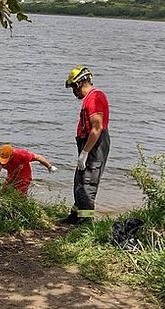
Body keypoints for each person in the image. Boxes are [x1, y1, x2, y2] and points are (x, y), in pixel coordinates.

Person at [61, 65, 110, 225]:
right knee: (80, 180)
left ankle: (86, 222)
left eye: (73, 88)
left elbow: (97, 128)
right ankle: (75, 216)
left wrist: (85, 153)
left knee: (88, 182)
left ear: (79, 84)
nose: (74, 93)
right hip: (88, 144)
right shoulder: (89, 98)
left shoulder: (95, 98)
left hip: (94, 145)